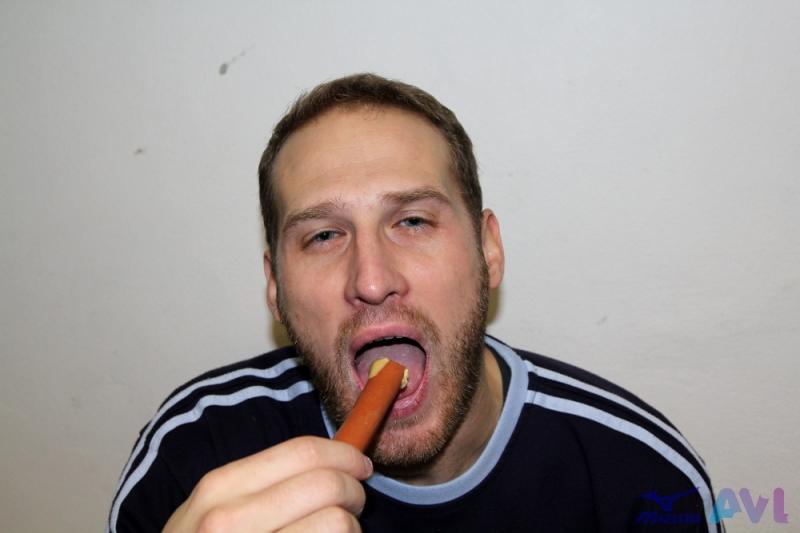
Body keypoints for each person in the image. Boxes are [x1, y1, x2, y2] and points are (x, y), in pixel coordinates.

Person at [108, 73, 720, 532]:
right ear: (275, 288)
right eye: (323, 236)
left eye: (413, 221)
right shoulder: (192, 457)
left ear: (489, 251)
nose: (372, 280)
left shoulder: (641, 478)